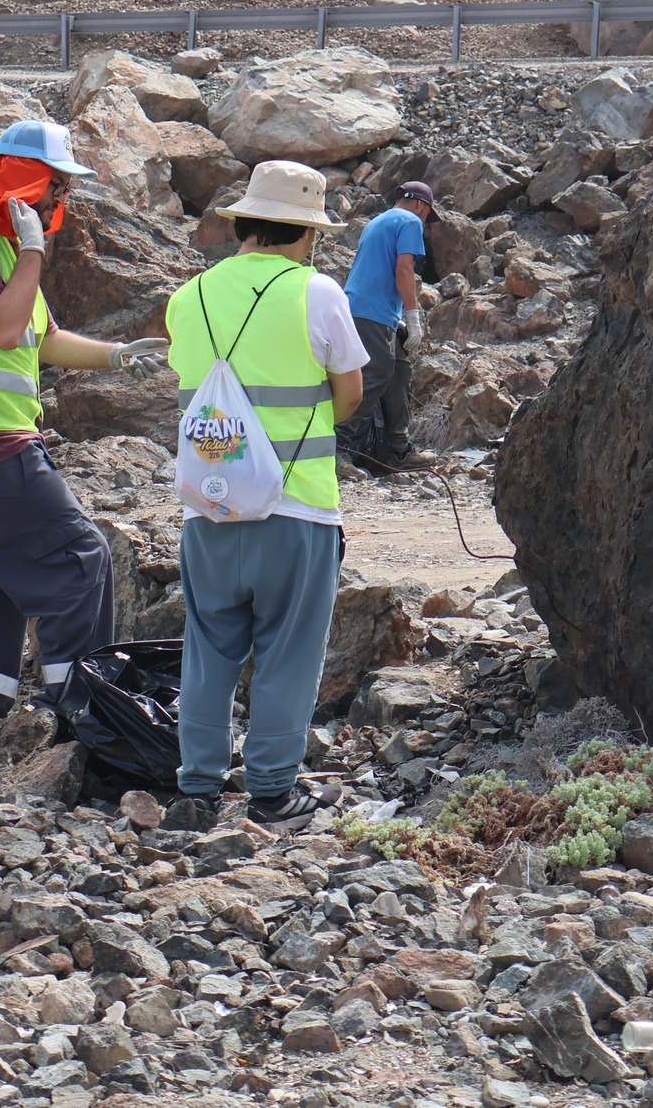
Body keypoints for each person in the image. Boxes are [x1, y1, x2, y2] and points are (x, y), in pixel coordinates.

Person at [0, 119, 170, 740]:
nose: (62, 199)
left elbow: (40, 338)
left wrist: (117, 354)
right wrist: (33, 250)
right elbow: (1, 329)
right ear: (24, 180)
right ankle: (83, 715)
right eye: (57, 184)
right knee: (80, 560)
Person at [164, 160, 368, 829]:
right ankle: (274, 792)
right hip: (298, 506)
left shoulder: (188, 296)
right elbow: (350, 393)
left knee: (209, 645)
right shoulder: (316, 293)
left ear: (245, 222)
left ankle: (196, 788)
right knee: (288, 649)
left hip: (211, 505)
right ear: (306, 232)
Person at [338, 180, 437, 471]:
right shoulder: (409, 220)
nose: (426, 220)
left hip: (365, 309)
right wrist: (413, 315)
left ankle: (399, 449)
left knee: (398, 371)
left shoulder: (378, 222)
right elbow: (403, 269)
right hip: (371, 312)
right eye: (428, 213)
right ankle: (335, 449)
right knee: (374, 375)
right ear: (421, 204)